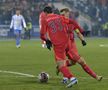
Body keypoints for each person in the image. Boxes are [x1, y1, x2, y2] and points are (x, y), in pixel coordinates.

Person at [40, 6, 83, 88]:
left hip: (58, 44)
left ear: (45, 13)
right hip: (67, 42)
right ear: (52, 11)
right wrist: (81, 31)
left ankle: (72, 78)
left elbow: (42, 34)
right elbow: (72, 22)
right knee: (65, 61)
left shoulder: (44, 19)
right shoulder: (59, 16)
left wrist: (47, 41)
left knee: (60, 65)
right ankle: (67, 78)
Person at [56, 8, 102, 82]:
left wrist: (83, 40)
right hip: (65, 46)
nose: (62, 16)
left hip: (72, 45)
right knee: (82, 61)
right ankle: (96, 76)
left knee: (72, 62)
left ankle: (60, 67)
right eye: (61, 15)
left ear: (68, 13)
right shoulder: (59, 23)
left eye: (63, 14)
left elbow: (77, 32)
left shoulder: (71, 23)